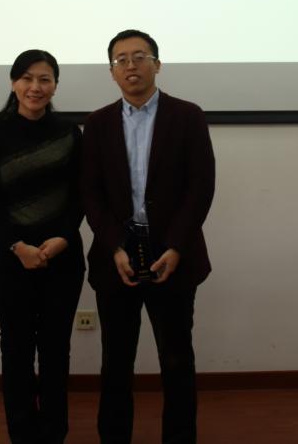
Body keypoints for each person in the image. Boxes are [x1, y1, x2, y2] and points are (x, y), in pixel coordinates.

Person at [82, 29, 216, 444]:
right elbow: (91, 193)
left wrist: (176, 246)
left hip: (173, 253)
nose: (131, 66)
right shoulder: (98, 123)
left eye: (139, 56)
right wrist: (113, 246)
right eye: (120, 60)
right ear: (111, 72)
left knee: (176, 359)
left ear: (157, 64)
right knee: (116, 361)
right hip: (116, 254)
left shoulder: (188, 116)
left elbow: (201, 187)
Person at [0, 49, 85, 444]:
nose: (35, 87)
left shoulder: (70, 133)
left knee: (56, 351)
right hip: (11, 260)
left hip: (64, 259)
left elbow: (80, 195)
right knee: (16, 351)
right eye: (26, 78)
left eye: (44, 79)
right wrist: (19, 246)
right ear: (13, 83)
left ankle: (54, 434)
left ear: (55, 85)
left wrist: (62, 239)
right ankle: (22, 435)